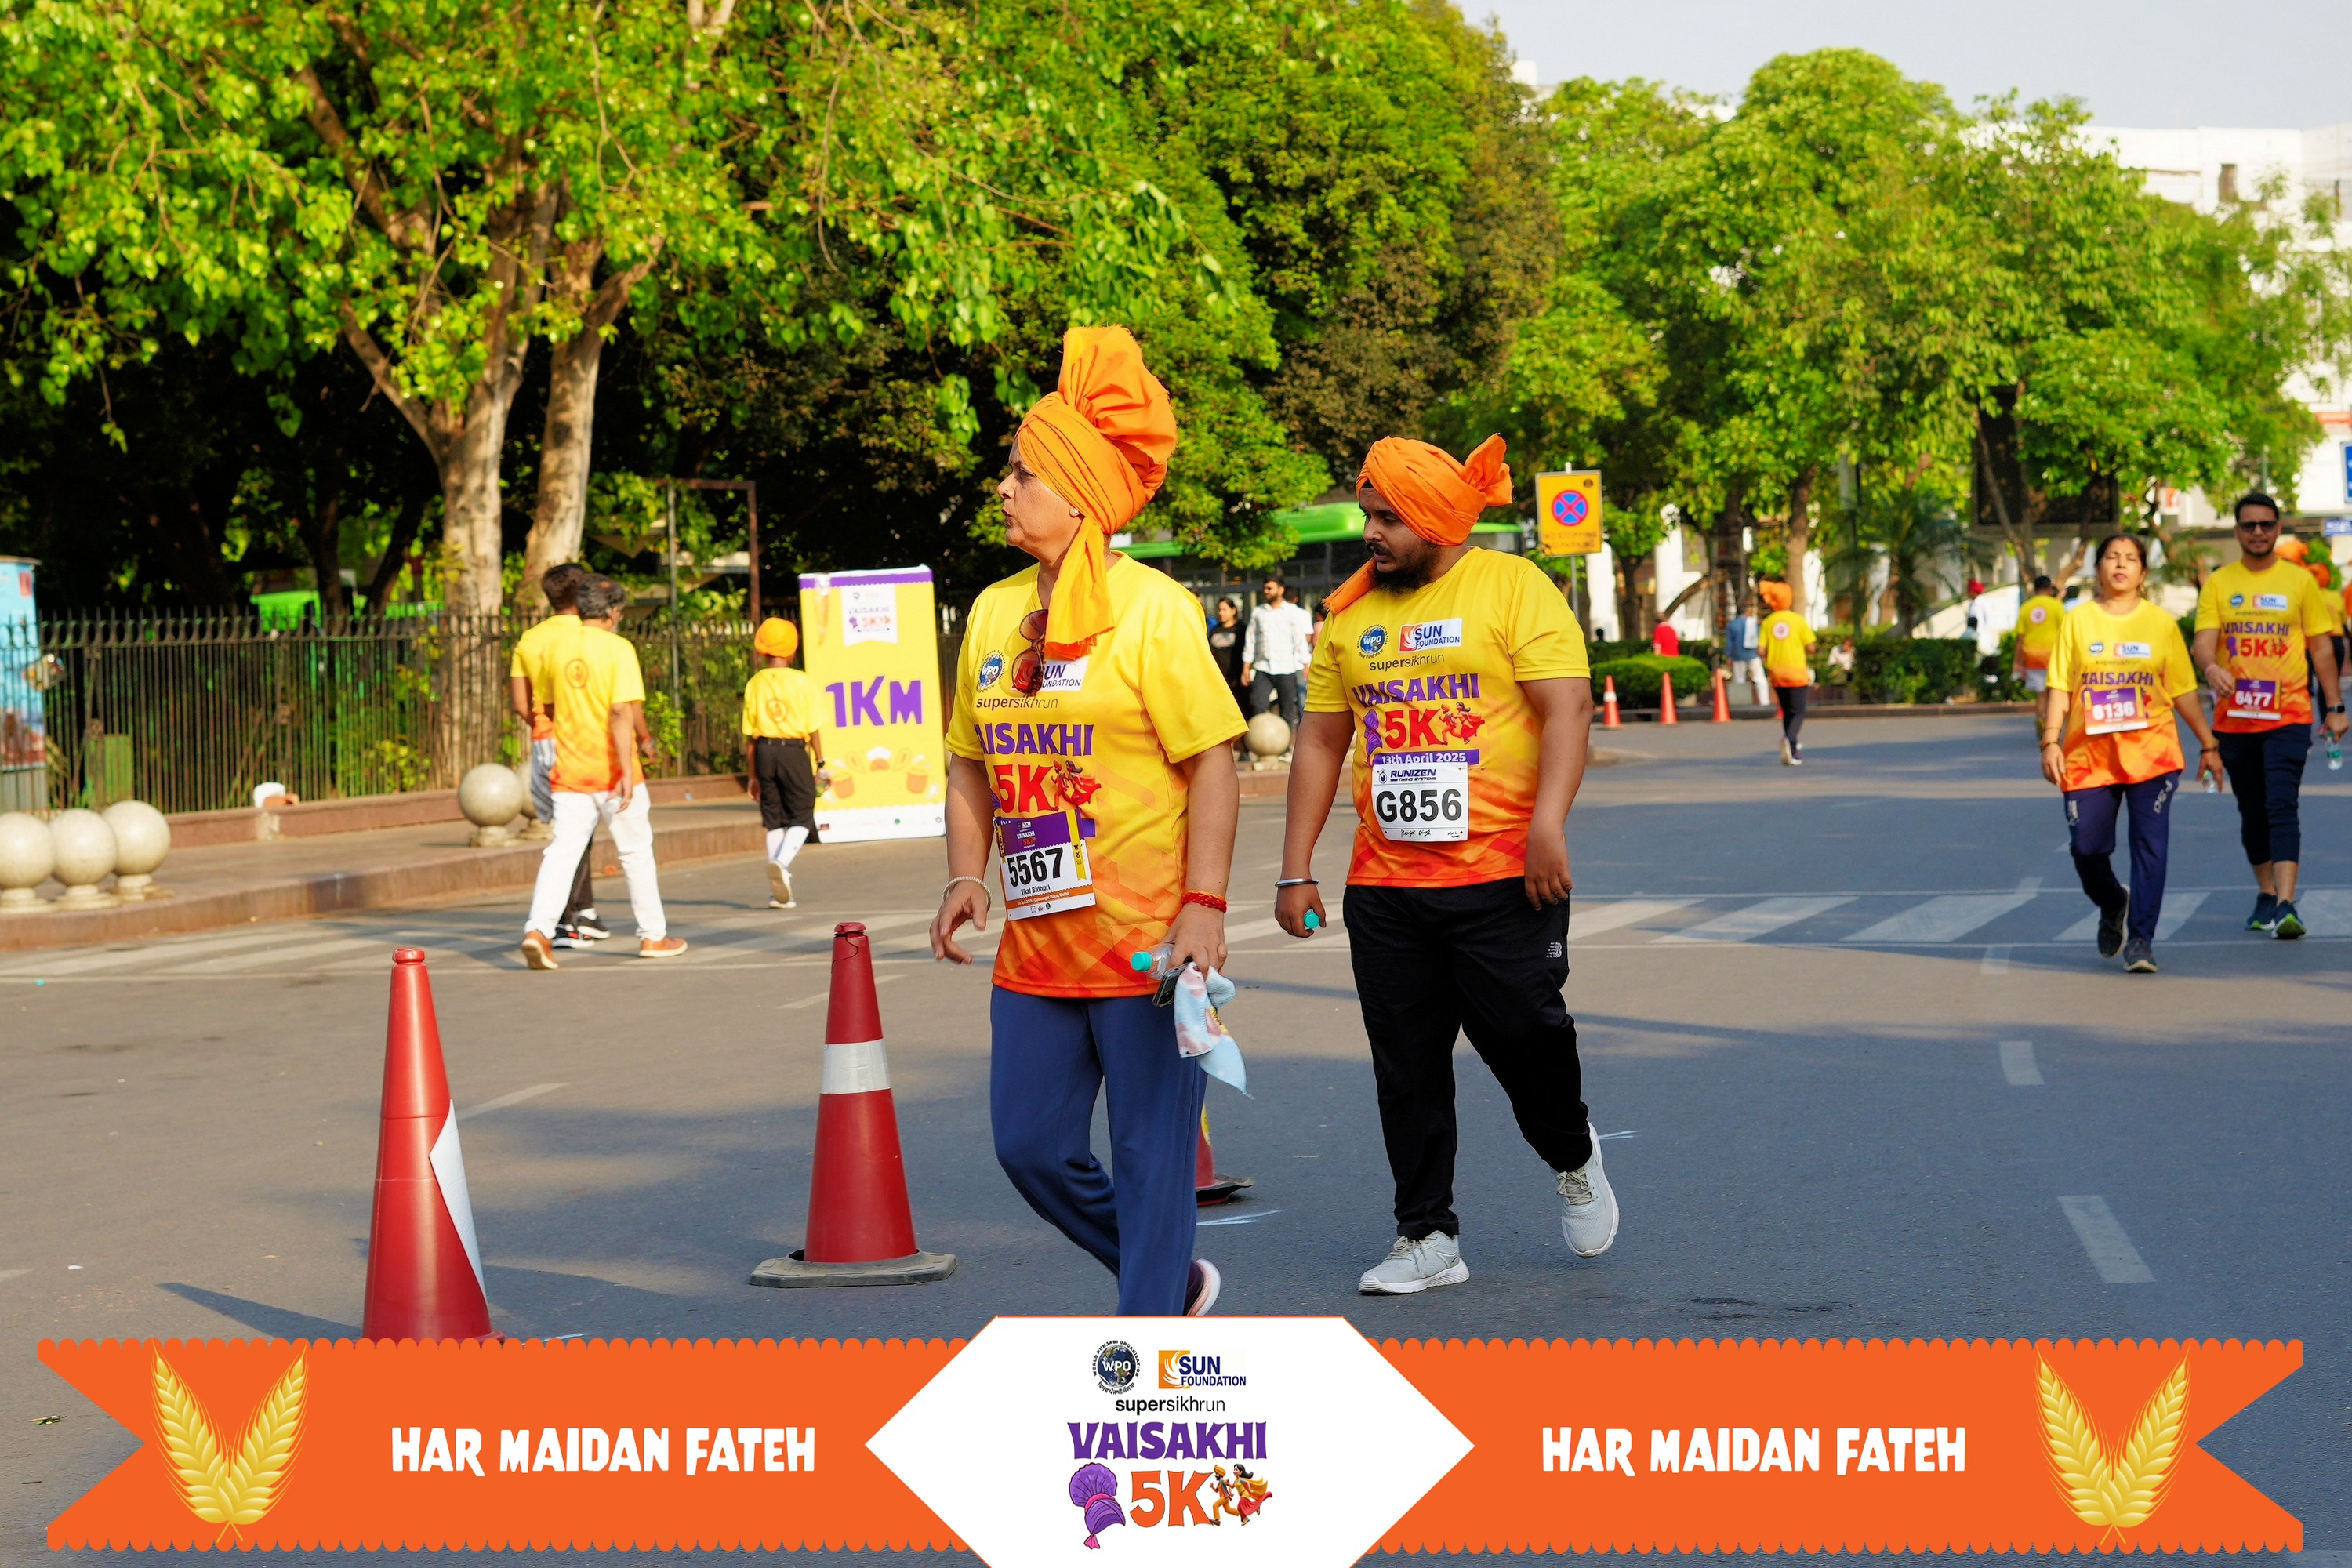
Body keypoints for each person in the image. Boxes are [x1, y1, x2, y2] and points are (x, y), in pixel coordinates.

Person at [929, 326, 1243, 1317]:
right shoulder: (991, 613)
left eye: (1023, 473)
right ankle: (1169, 1274)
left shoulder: (1154, 610)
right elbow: (969, 759)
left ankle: (1147, 1346)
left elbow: (1213, 759)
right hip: (1037, 943)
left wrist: (1204, 904)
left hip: (1149, 945)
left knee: (1154, 1161)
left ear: (1078, 495)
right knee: (1028, 1145)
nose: (1004, 488)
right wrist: (965, 873)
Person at [1273, 432, 1613, 1296]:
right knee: (1406, 1065)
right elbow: (1322, 740)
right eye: (1369, 514)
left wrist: (1547, 824)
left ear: (1432, 519)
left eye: (1389, 517)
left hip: (1504, 874)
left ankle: (1571, 1153)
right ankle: (1426, 1232)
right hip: (1387, 885)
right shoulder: (1350, 616)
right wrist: (1295, 866)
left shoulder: (1513, 586)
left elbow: (1568, 707)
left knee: (1526, 1037)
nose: (1371, 532)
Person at [2039, 535, 2223, 974]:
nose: (2120, 565)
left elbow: (2183, 690)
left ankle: (2141, 939)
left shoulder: (2160, 624)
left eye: (2130, 559)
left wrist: (2209, 744)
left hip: (2152, 754)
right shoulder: (2077, 621)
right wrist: (2050, 741)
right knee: (2087, 848)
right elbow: (2060, 685)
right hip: (2089, 757)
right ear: (2099, 568)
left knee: (2150, 846)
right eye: (2112, 557)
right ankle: (2112, 901)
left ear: (2143, 572)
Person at [2192, 493, 2348, 938]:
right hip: (2235, 719)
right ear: (2237, 532)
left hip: (2289, 715)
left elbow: (2321, 648)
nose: (2258, 532)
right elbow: (2203, 642)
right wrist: (2212, 668)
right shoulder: (2220, 583)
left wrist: (2335, 707)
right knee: (2253, 810)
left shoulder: (2300, 582)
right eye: (2249, 525)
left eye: (2266, 524)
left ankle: (2285, 904)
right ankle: (2266, 891)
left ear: (2278, 529)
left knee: (2282, 804)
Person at [520, 577, 688, 968]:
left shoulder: (556, 647)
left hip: (570, 769)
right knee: (635, 852)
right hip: (612, 771)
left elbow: (547, 705)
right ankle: (653, 936)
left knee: (562, 852)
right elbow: (619, 710)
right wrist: (627, 769)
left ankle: (538, 931)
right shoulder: (618, 648)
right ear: (613, 612)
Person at [509, 563, 608, 949]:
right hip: (583, 740)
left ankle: (586, 910)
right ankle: (567, 921)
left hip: (544, 739)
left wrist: (543, 727)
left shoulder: (530, 638)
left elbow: (522, 703)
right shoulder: (590, 635)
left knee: (569, 829)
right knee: (576, 832)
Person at [742, 617, 826, 909]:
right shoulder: (802, 681)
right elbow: (814, 727)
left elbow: (750, 735)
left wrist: (752, 775)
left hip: (764, 752)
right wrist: (821, 762)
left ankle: (777, 890)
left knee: (774, 818)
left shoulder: (755, 683)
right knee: (803, 814)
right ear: (792, 649)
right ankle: (781, 861)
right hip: (793, 751)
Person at [1241, 577, 1312, 735]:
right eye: (1265, 588)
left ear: (1281, 590)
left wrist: (1305, 664)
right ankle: (1260, 741)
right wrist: (1246, 667)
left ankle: (1286, 745)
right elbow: (1251, 640)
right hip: (1263, 668)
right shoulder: (1258, 612)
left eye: (1270, 588)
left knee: (1287, 709)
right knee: (1257, 704)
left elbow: (1300, 640)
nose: (1266, 591)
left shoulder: (1292, 612)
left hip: (1286, 668)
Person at [1760, 596, 1816, 765]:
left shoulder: (1768, 622)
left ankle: (1792, 750)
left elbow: (1761, 650)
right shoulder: (1798, 620)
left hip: (1776, 672)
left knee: (1787, 711)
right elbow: (1811, 647)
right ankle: (1789, 738)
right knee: (1798, 711)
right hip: (1796, 671)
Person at [2015, 574, 2064, 734]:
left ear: (2035, 589)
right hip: (2054, 656)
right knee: (2053, 693)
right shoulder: (2056, 605)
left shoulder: (2026, 607)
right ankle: (2051, 726)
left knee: (2041, 694)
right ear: (2049, 589)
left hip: (2033, 657)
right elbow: (2065, 631)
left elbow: (2020, 638)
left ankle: (2040, 720)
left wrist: (2018, 663)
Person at [1207, 596, 1249, 743]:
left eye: (1224, 610)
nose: (1221, 613)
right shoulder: (1215, 631)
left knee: (1242, 711)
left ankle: (1244, 745)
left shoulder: (1241, 629)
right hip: (1220, 679)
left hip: (1238, 678)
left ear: (1233, 610)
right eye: (1219, 610)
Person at [1726, 593, 1764, 702]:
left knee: (1739, 679)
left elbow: (1729, 643)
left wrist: (1728, 657)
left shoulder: (1733, 624)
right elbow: (1760, 640)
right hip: (1753, 654)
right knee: (1759, 678)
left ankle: (1741, 701)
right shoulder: (1754, 623)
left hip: (1738, 655)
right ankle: (1764, 701)